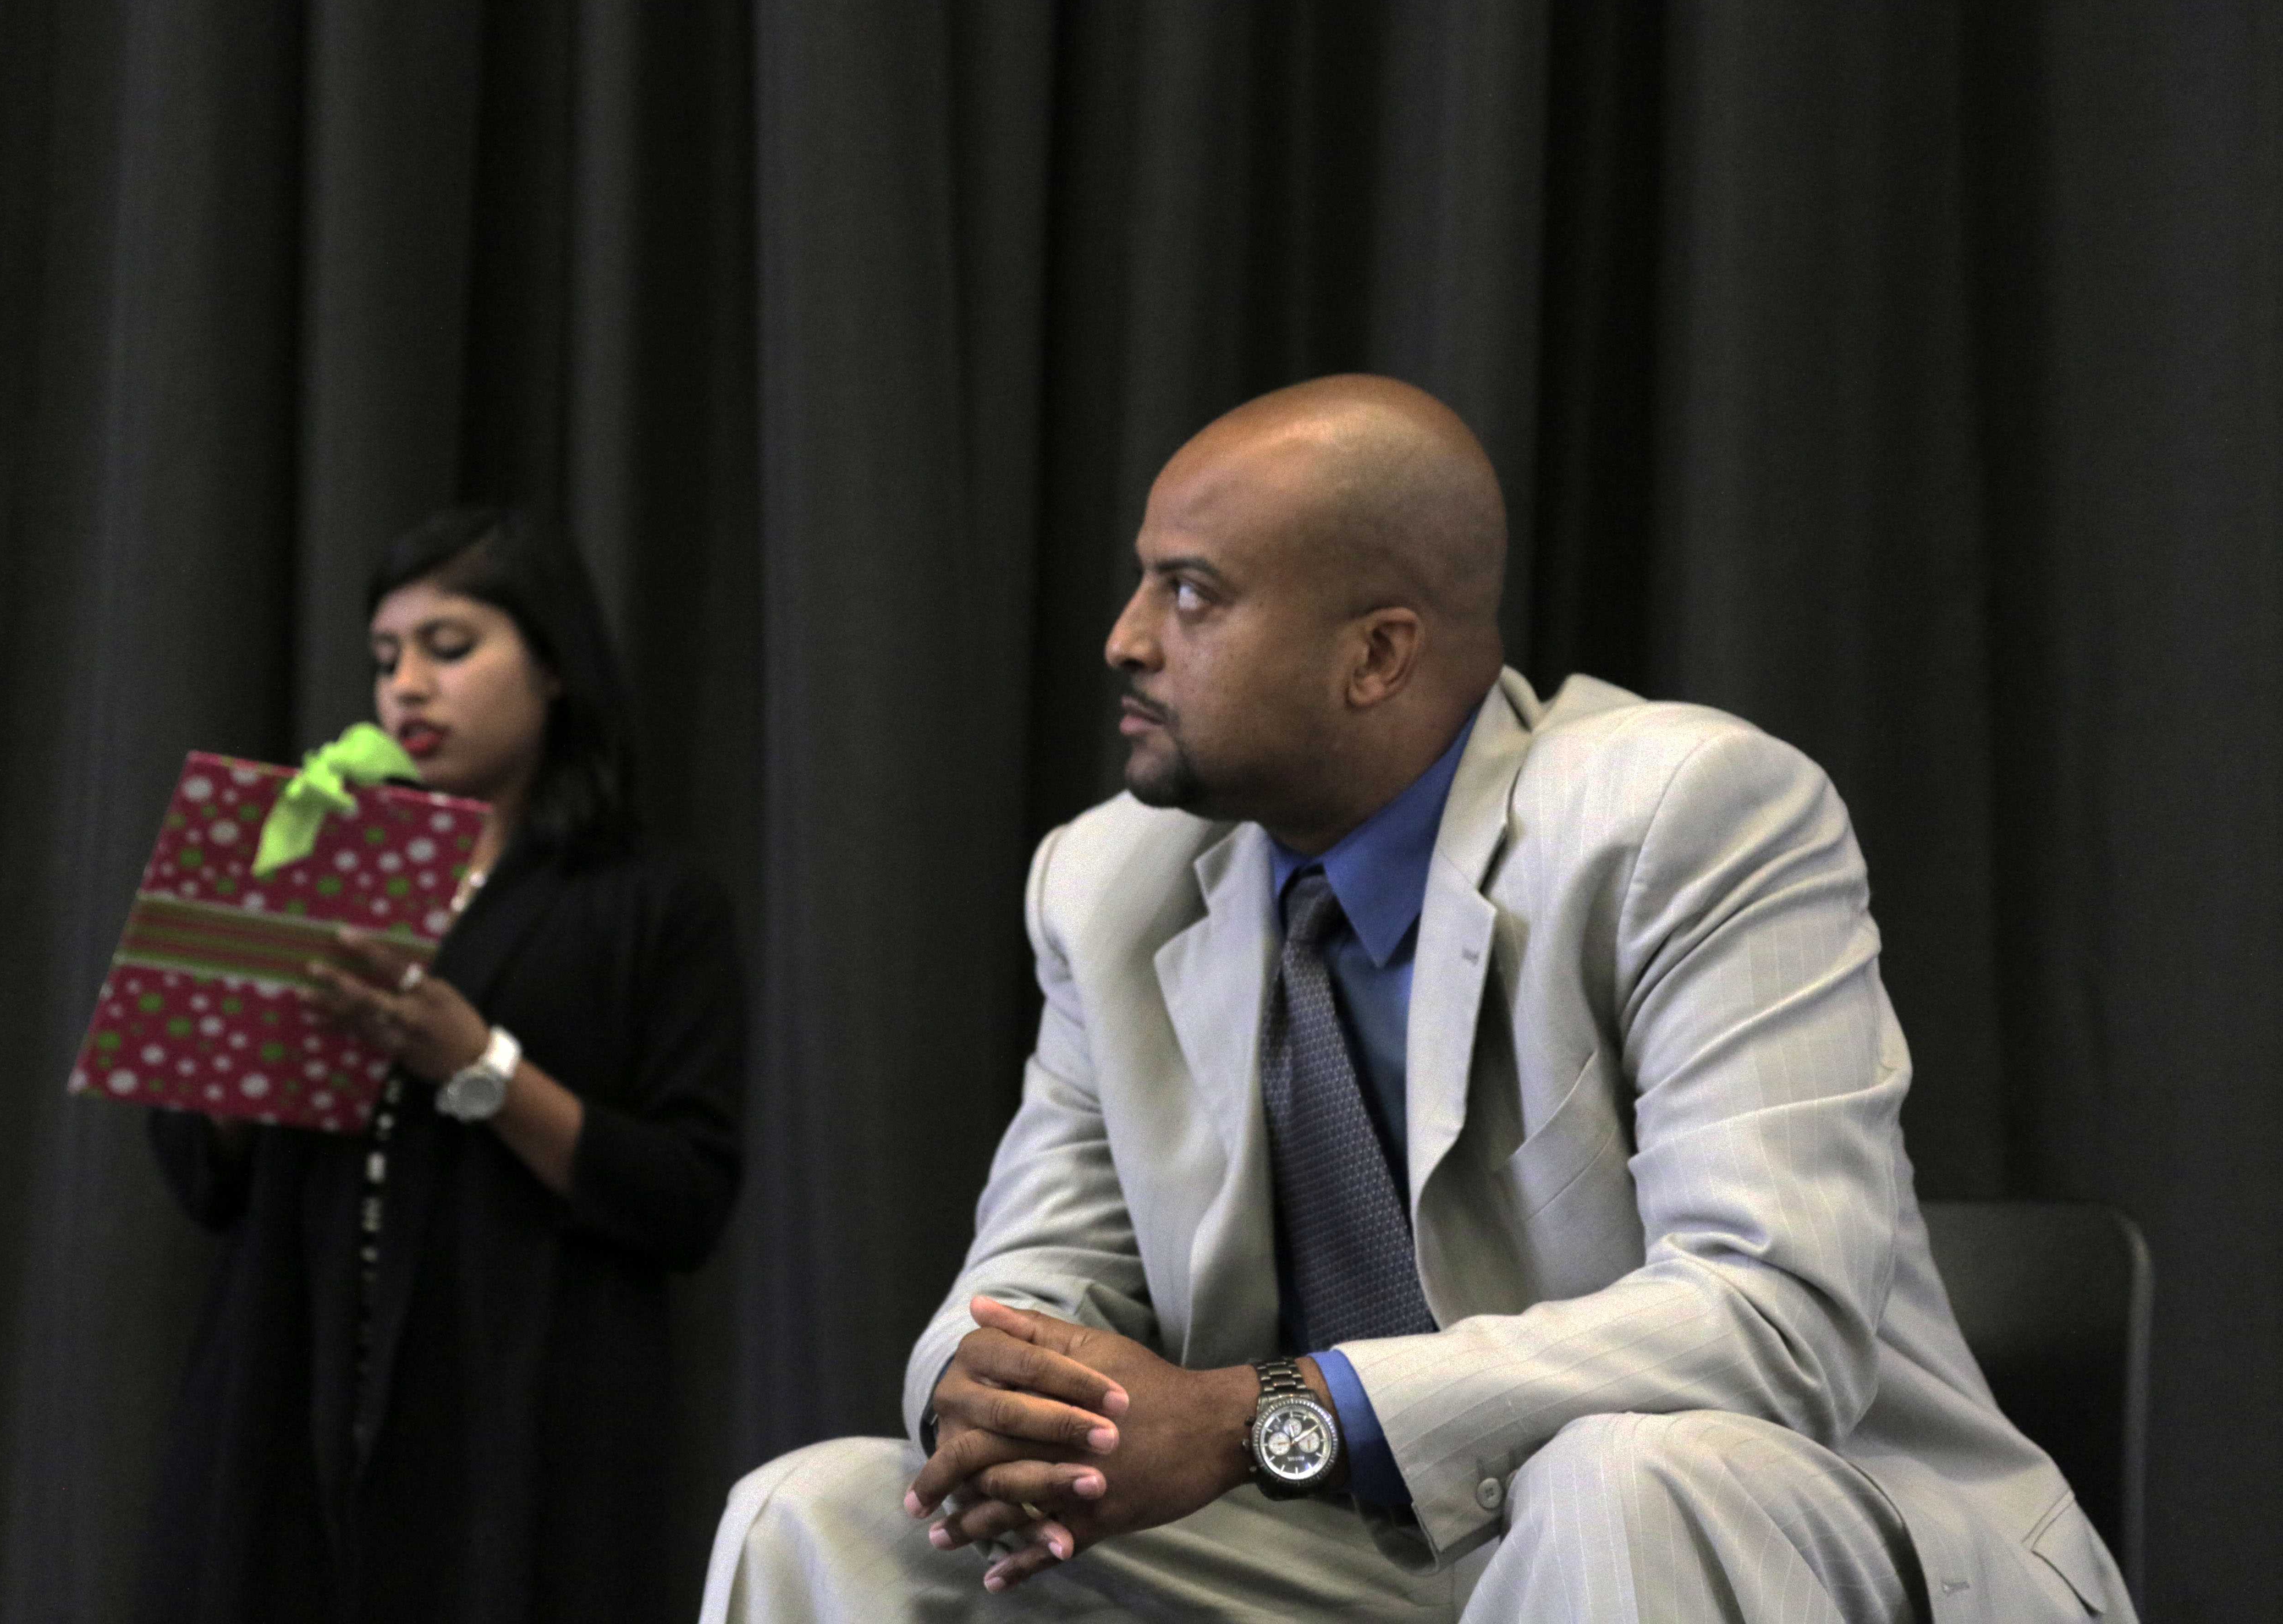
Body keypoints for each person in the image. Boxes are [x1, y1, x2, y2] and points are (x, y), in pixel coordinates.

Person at [702, 377, 2134, 1621]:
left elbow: (1770, 1324)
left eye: (1191, 592)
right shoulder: (1107, 881)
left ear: (1377, 653)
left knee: (1619, 1480)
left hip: (1781, 1531)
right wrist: (986, 1392)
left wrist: (1266, 1419)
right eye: (1143, 581)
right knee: (817, 1518)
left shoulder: (1685, 815)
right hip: (1362, 1558)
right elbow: (1025, 1280)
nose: (1125, 638)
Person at [139, 510, 746, 1624]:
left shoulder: (651, 903)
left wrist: (480, 1066)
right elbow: (198, 1176)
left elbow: (687, 1197)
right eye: (385, 659)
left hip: (521, 1416)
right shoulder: (317, 857)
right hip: (288, 1385)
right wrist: (249, 1006)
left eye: (449, 648)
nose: (406, 686)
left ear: (554, 667)